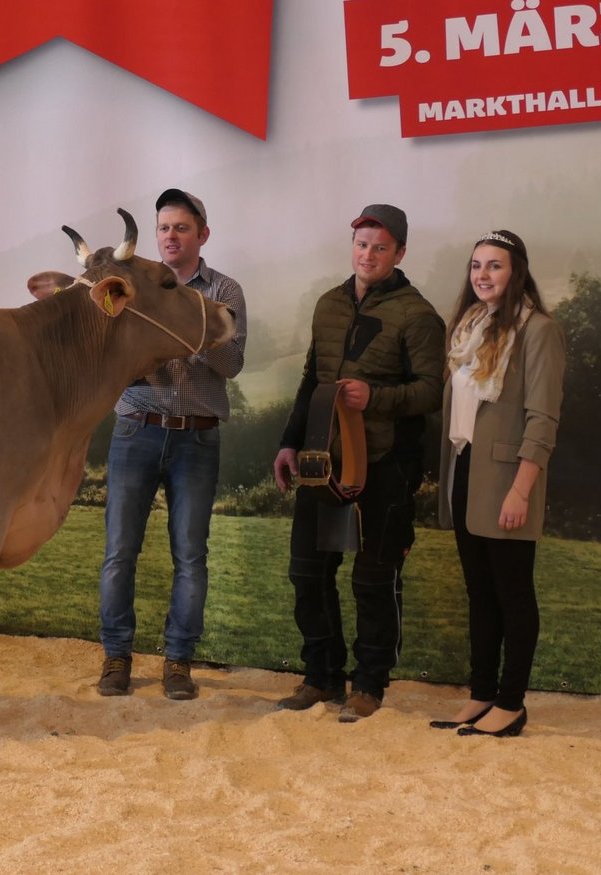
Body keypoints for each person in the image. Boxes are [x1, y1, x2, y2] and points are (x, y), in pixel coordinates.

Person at [272, 204, 445, 722]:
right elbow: (311, 380)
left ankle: (369, 685)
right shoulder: (328, 304)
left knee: (373, 580)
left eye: (380, 247)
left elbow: (432, 392)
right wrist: (288, 442)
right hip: (320, 461)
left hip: (387, 465)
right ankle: (321, 676)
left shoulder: (418, 315)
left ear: (400, 253)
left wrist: (376, 398)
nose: (368, 255)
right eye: (362, 244)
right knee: (308, 573)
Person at [95, 189, 247, 699]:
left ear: (203, 234)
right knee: (120, 552)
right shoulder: (132, 286)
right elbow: (112, 354)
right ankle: (116, 656)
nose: (170, 237)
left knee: (190, 555)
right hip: (136, 428)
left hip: (196, 436)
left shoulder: (225, 289)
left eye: (181, 228)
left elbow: (233, 363)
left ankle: (178, 662)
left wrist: (188, 328)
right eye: (164, 228)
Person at [430, 231, 563, 738]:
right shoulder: (470, 327)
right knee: (480, 594)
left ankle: (511, 704)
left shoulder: (539, 330)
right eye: (476, 266)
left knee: (513, 593)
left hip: (509, 479)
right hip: (465, 470)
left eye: (495, 265)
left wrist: (521, 490)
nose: (482, 275)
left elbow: (542, 420)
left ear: (517, 272)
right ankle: (482, 693)